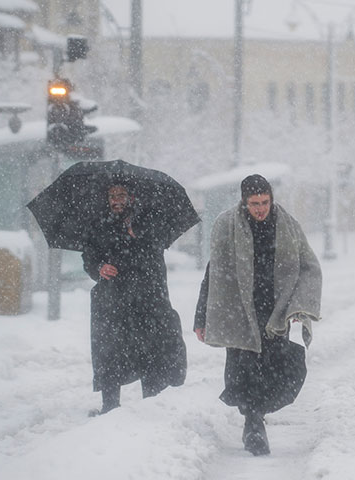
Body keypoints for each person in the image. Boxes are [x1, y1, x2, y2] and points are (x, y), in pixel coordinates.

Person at [194, 174, 322, 456]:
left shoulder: (287, 226)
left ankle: (256, 415)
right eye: (254, 203)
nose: (260, 209)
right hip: (238, 309)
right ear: (244, 202)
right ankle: (253, 423)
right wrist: (201, 316)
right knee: (244, 371)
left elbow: (307, 265)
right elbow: (213, 272)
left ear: (271, 199)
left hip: (274, 311)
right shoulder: (227, 225)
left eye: (265, 202)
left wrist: (299, 306)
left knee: (275, 370)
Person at [82, 184, 187, 415]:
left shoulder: (149, 219)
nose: (116, 200)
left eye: (120, 195)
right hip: (112, 300)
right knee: (109, 352)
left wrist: (138, 234)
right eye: (111, 196)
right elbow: (89, 256)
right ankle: (109, 405)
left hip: (147, 298)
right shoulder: (99, 223)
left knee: (150, 350)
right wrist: (99, 267)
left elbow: (158, 247)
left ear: (131, 197)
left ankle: (151, 404)